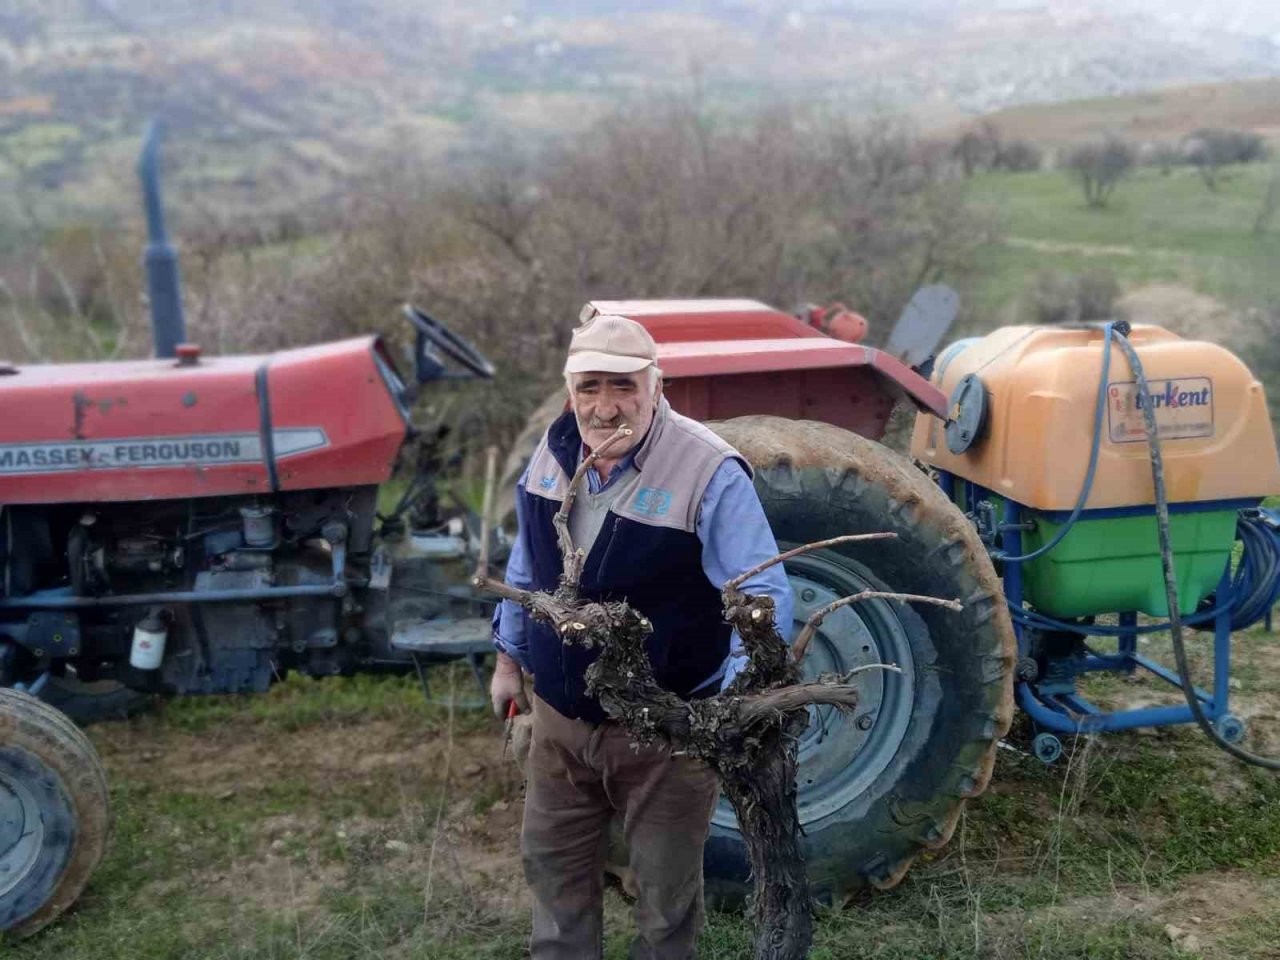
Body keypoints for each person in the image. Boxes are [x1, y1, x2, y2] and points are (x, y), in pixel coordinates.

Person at [490, 313, 792, 960]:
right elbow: (529, 564)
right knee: (555, 878)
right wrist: (509, 660)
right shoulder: (555, 448)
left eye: (623, 386)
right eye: (590, 387)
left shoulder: (707, 471)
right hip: (560, 721)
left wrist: (732, 704)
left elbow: (764, 594)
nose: (605, 407)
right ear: (570, 390)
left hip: (666, 734)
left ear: (656, 386)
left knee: (665, 903)